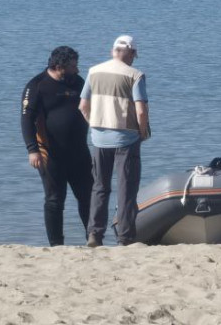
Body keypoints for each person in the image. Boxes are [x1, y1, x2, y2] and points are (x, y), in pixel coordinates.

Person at [79, 34, 150, 247]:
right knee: (126, 188)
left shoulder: (94, 72)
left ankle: (94, 234)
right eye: (134, 55)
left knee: (99, 187)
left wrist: (94, 123)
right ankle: (125, 237)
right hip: (126, 138)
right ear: (131, 53)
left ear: (113, 51)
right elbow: (141, 110)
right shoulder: (135, 75)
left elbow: (83, 105)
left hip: (99, 138)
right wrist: (143, 131)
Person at [21, 45, 92, 246]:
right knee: (54, 200)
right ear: (59, 66)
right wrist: (32, 150)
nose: (77, 70)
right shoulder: (37, 85)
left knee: (87, 197)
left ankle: (93, 238)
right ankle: (56, 245)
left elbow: (91, 108)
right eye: (73, 66)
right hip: (49, 153)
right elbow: (26, 120)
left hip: (79, 152)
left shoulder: (77, 82)